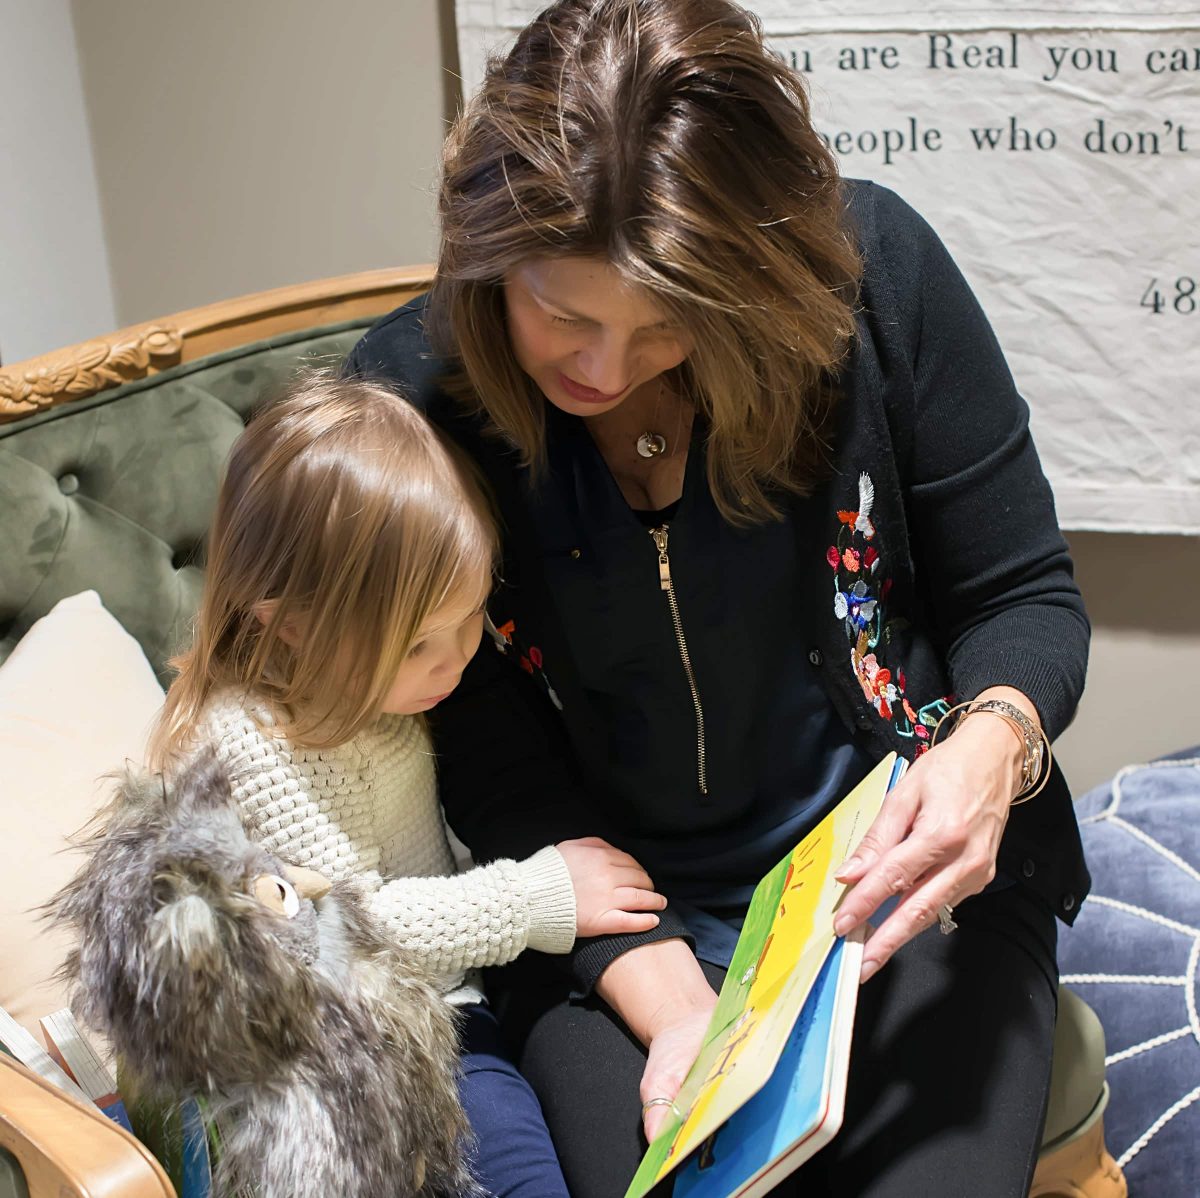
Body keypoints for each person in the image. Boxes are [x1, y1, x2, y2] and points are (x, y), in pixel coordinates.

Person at [346, 1, 1093, 1194]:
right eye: (564, 314)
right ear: (488, 258)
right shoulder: (414, 403)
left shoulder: (875, 278)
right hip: (601, 914)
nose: (601, 371)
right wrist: (667, 988)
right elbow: (485, 755)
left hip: (886, 869)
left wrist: (992, 743)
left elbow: (1026, 596)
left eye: (665, 327)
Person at [148, 371, 670, 1198]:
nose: (458, 660)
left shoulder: (389, 688)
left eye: (472, 618)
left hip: (444, 1008)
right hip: (336, 1058)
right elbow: (340, 934)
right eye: (421, 641)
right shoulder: (241, 748)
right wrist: (535, 897)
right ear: (285, 622)